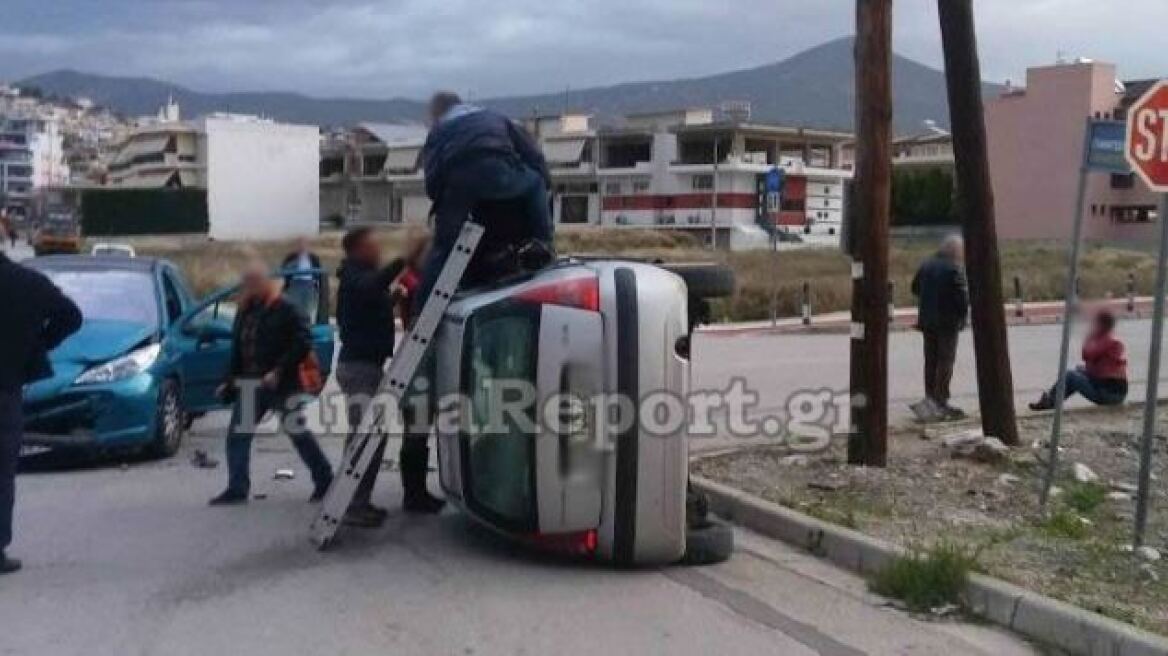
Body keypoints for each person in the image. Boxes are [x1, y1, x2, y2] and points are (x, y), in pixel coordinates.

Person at [210, 260, 333, 506]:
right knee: (238, 435)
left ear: (265, 282)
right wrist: (229, 381)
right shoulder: (247, 309)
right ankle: (237, 488)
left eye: (253, 283)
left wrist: (279, 369)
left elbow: (302, 342)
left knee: (298, 432)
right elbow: (239, 348)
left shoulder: (286, 308)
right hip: (250, 383)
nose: (249, 288)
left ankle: (325, 480)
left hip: (281, 383)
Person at [418, 91, 553, 305]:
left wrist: (442, 201)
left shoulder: (440, 129)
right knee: (536, 182)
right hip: (500, 171)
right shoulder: (495, 117)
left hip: (460, 181)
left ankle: (422, 308)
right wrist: (544, 182)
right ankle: (543, 243)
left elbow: (433, 174)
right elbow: (533, 154)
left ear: (438, 112)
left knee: (443, 249)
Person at [0, 252, 82, 574]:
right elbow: (71, 316)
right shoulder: (28, 282)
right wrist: (39, 345)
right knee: (2, 474)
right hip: (6, 389)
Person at [910, 235, 969, 422]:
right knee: (945, 361)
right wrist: (962, 316)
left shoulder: (926, 265)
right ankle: (940, 400)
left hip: (927, 321)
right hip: (947, 322)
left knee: (931, 360)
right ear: (954, 251)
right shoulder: (954, 269)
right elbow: (962, 297)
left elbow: (915, 288)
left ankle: (930, 397)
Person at [1031, 309, 1128, 410]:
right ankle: (1053, 401)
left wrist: (1089, 338)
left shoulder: (1109, 341)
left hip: (1109, 394)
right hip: (1109, 390)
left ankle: (1051, 401)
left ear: (1102, 325)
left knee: (1070, 375)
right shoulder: (1109, 340)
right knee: (1078, 370)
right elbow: (1092, 364)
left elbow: (1087, 355)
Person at [281, 236, 322, 320]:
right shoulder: (291, 257)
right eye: (299, 244)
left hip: (309, 285)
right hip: (295, 284)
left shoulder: (313, 258)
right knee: (294, 309)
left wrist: (316, 284)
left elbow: (319, 272)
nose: (302, 246)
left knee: (308, 309)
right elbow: (284, 270)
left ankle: (307, 324)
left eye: (304, 244)